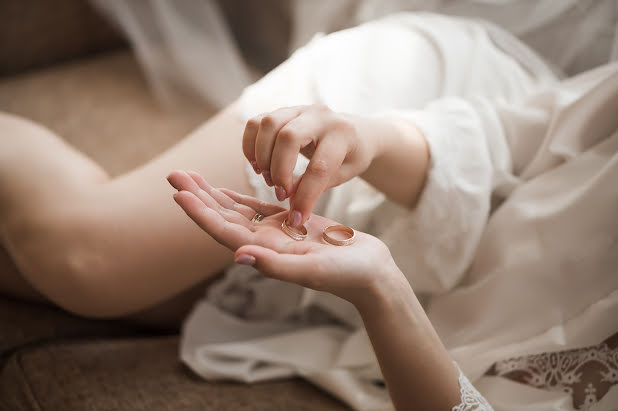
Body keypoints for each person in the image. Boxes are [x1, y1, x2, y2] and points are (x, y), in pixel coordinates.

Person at [1, 11, 616, 410]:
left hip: (416, 304)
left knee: (47, 278)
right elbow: (513, 135)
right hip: (425, 118)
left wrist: (383, 292)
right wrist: (368, 141)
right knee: (88, 261)